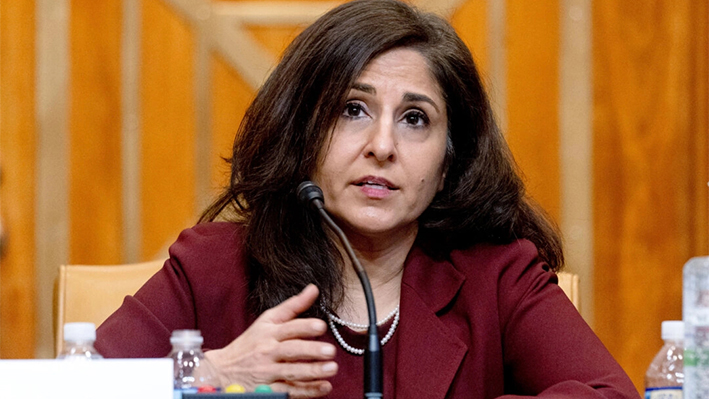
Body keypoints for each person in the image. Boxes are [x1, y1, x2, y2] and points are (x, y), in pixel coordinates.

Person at [95, 0, 640, 398]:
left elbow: (609, 396)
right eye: (352, 110)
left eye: (415, 119)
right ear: (304, 132)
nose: (382, 146)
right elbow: (67, 387)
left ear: (449, 160)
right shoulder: (213, 267)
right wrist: (209, 375)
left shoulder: (496, 275)